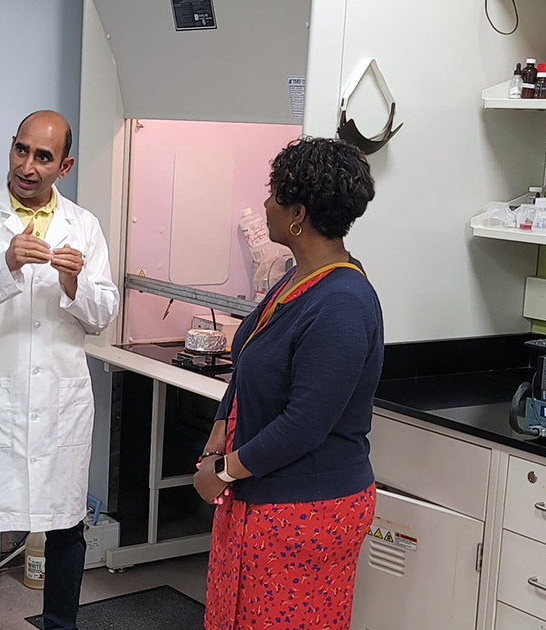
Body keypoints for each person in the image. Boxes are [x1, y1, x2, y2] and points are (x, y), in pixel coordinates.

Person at [0, 110, 119, 630]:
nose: (27, 166)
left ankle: (61, 624)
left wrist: (76, 286)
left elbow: (103, 314)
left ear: (65, 164)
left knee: (64, 526)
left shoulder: (83, 227)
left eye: (43, 157)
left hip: (60, 403)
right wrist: (4, 265)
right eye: (21, 150)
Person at [193, 137, 383, 630]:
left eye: (273, 194)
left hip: (306, 513)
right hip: (260, 494)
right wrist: (220, 426)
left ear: (297, 213)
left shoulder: (342, 302)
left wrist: (225, 472)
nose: (264, 204)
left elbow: (304, 425)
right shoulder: (298, 278)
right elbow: (252, 350)